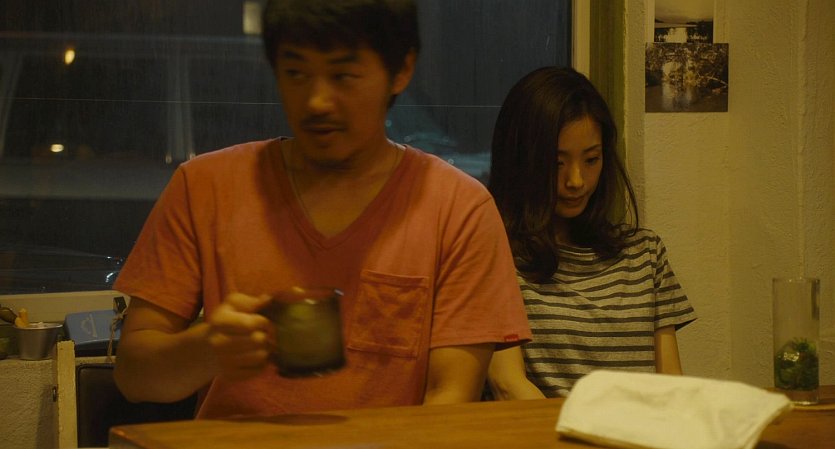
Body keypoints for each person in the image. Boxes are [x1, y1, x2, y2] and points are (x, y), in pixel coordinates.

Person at [112, 0, 531, 418]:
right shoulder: (205, 186)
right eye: (296, 73)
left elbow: (449, 398)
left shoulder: (458, 208)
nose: (316, 102)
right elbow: (134, 377)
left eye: (343, 75)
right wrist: (205, 349)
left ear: (401, 70)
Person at [486, 66, 696, 400]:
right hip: (545, 428)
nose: (576, 181)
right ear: (522, 160)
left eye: (591, 160)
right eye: (557, 163)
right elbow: (507, 384)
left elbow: (671, 384)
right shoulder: (496, 256)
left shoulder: (645, 253)